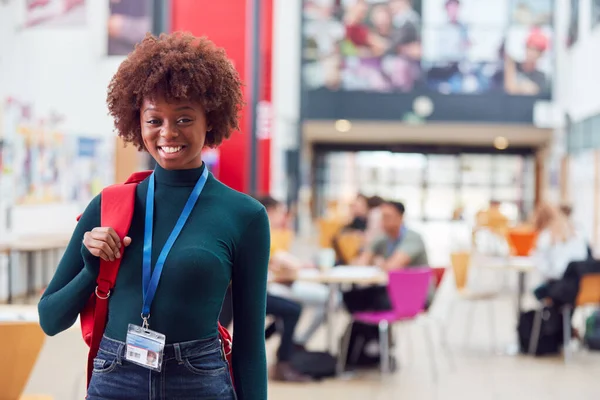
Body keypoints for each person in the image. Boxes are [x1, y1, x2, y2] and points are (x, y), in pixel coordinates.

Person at [38, 33, 270, 400]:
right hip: (116, 377)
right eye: (154, 120)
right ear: (137, 122)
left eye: (183, 118)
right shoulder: (110, 204)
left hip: (198, 381)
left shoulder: (245, 216)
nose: (167, 133)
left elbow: (250, 344)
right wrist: (90, 268)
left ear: (209, 120)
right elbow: (50, 320)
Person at [256, 195, 331, 352]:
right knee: (325, 300)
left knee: (299, 306)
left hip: (276, 284)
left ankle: (291, 344)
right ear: (269, 211)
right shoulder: (264, 231)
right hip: (271, 287)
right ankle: (293, 346)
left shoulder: (275, 232)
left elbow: (283, 261)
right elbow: (285, 262)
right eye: (280, 212)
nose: (283, 217)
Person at [345, 200, 429, 313]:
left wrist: (376, 262)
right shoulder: (382, 238)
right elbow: (362, 262)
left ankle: (366, 331)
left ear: (400, 218)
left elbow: (392, 267)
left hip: (415, 296)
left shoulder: (413, 238)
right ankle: (365, 331)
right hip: (393, 291)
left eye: (387, 216)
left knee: (359, 300)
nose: (383, 221)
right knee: (352, 297)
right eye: (382, 217)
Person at [531, 203, 588, 302]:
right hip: (582, 289)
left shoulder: (547, 236)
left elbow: (547, 270)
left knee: (539, 291)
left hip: (562, 289)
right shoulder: (579, 234)